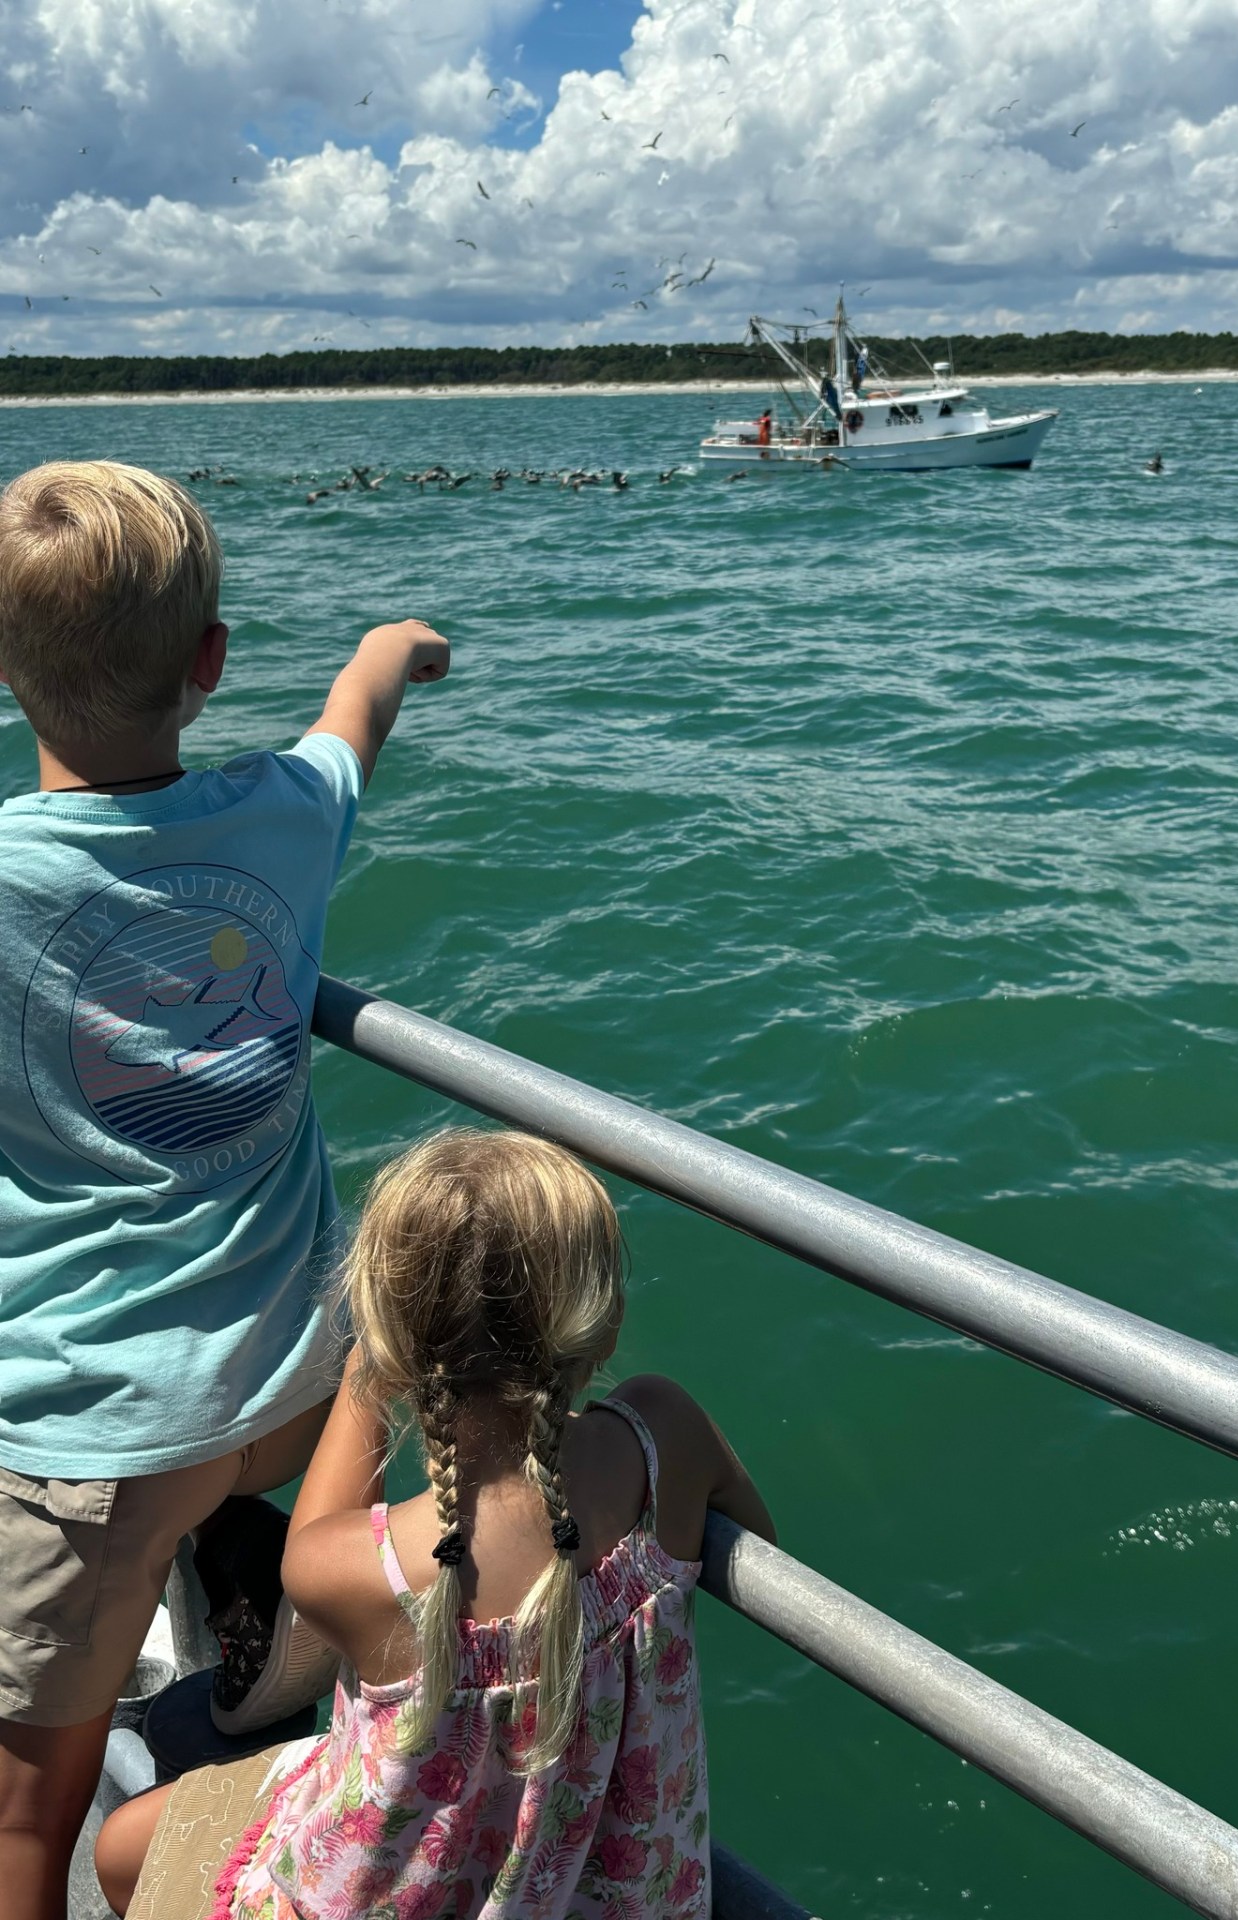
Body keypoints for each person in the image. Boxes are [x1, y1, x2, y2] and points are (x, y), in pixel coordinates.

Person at [0, 459, 450, 1920]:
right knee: (355, 1381)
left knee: (24, 1816)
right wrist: (393, 650)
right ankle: (272, 1639)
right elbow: (353, 721)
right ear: (208, 667)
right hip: (287, 1389)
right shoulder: (281, 817)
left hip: (86, 1434)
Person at [97, 1128, 775, 1919]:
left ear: (392, 1344)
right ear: (601, 1321)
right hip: (629, 1895)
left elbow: (313, 1536)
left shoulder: (366, 1570)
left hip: (400, 1890)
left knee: (119, 1851)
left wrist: (362, 1374)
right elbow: (760, 1531)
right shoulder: (665, 1434)